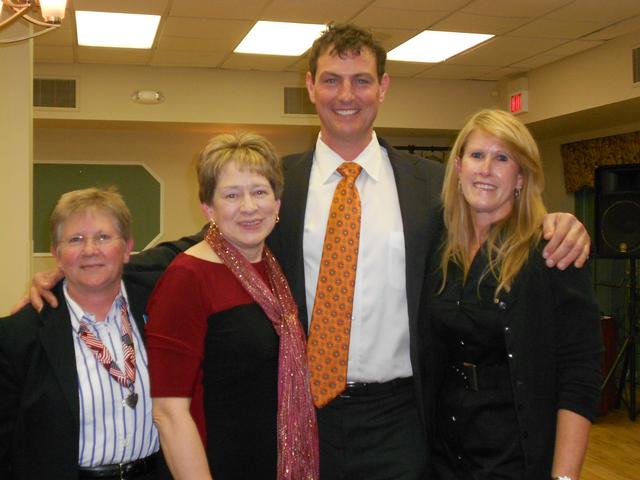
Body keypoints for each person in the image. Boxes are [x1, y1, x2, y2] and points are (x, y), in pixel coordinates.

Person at [19, 23, 591, 479]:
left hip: (402, 416)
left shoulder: (430, 187)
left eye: (362, 80)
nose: (348, 95)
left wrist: (558, 223)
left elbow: (489, 215)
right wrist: (90, 271)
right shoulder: (279, 187)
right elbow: (201, 247)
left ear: (383, 88)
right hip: (300, 412)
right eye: (333, 80)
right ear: (311, 85)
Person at [425, 109, 602, 480]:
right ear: (458, 168)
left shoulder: (553, 251)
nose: (486, 169)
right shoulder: (439, 246)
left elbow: (579, 375)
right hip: (444, 450)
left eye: (502, 158)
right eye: (476, 155)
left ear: (521, 176)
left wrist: (565, 477)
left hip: (514, 452)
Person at [145, 132, 319, 479]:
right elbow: (168, 412)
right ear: (208, 208)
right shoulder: (187, 277)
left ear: (278, 203)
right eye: (231, 195)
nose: (249, 207)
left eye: (259, 192)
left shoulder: (276, 270)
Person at [0, 188, 165, 479]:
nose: (90, 250)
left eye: (103, 237)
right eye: (75, 239)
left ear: (127, 248)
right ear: (57, 254)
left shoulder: (162, 305)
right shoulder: (18, 335)